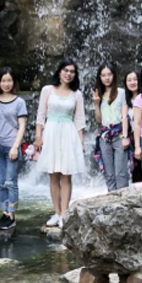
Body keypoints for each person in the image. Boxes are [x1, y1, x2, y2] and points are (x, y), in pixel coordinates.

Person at [34, 59, 86, 228]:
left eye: (72, 71)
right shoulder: (47, 90)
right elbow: (40, 116)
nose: (68, 74)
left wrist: (81, 142)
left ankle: (64, 213)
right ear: (59, 72)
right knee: (53, 174)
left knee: (66, 174)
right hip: (50, 132)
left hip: (68, 133)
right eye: (66, 70)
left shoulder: (76, 94)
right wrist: (38, 137)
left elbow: (79, 120)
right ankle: (56, 212)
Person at [0, 67, 28, 230]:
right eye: (3, 81)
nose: (6, 84)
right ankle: (4, 212)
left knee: (10, 182)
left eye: (9, 80)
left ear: (14, 82)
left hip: (11, 146)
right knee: (1, 183)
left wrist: (15, 147)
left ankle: (11, 214)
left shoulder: (19, 102)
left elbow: (22, 126)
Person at [92, 62, 129, 191]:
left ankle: (123, 199)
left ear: (113, 75)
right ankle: (112, 198)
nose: (107, 78)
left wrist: (125, 136)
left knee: (121, 173)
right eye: (103, 75)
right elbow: (99, 120)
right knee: (109, 174)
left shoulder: (121, 92)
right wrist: (96, 104)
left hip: (119, 134)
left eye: (109, 74)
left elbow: (124, 116)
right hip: (104, 136)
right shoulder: (98, 94)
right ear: (100, 77)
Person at [123, 70, 142, 183]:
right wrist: (124, 137)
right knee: (136, 170)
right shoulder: (126, 102)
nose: (132, 82)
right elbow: (124, 119)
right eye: (129, 80)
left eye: (135, 79)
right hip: (133, 138)